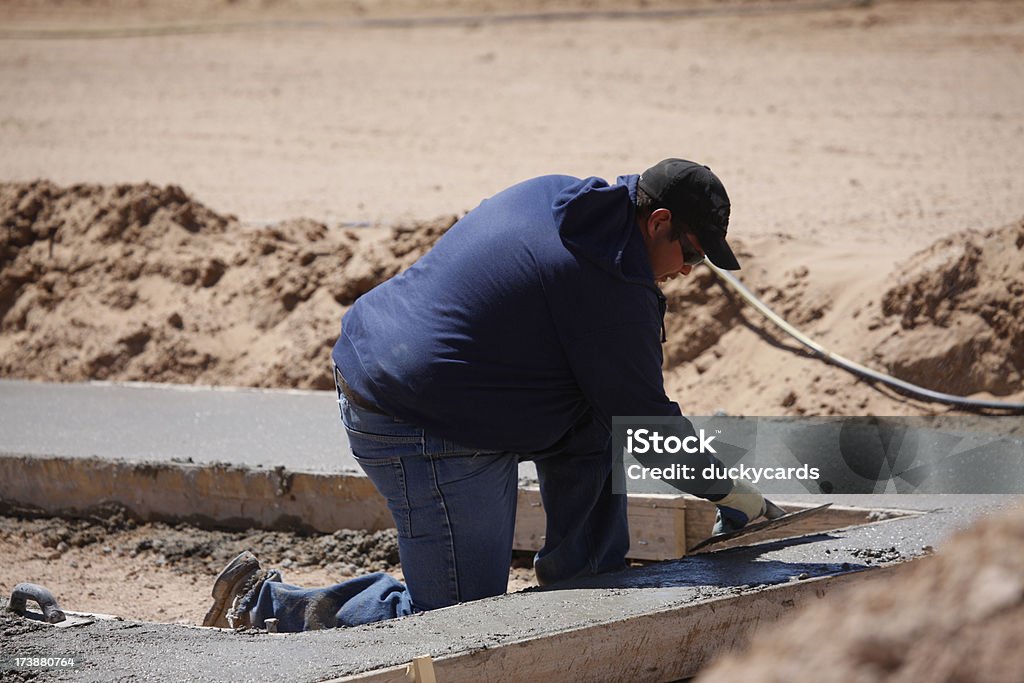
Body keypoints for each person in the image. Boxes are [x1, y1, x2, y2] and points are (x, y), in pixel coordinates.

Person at [204, 158, 767, 632]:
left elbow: (619, 408)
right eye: (691, 255)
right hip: (416, 421)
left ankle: (587, 593)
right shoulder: (608, 289)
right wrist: (734, 496)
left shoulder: (565, 199)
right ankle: (263, 606)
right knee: (456, 623)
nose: (690, 272)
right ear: (659, 222)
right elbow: (646, 424)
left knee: (596, 416)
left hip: (419, 369)